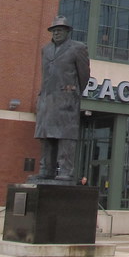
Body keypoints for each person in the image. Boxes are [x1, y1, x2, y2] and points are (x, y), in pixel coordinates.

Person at [34, 16, 90, 182]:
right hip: (47, 99)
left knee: (65, 136)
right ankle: (46, 169)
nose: (57, 33)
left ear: (67, 32)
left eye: (60, 30)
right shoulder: (46, 49)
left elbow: (84, 75)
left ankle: (66, 170)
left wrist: (73, 92)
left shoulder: (77, 48)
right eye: (54, 30)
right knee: (46, 136)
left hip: (66, 99)